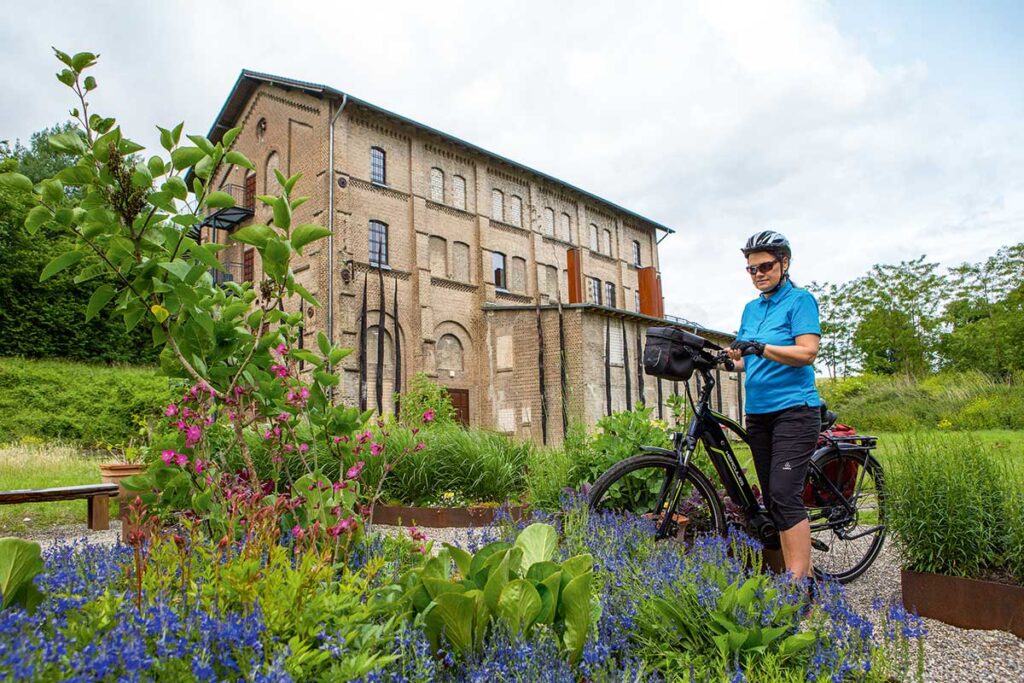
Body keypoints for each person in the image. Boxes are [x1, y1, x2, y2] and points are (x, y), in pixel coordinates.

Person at [725, 230, 821, 581]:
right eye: (751, 269)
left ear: (785, 263)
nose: (759, 274)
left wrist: (760, 347)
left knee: (784, 493)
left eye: (765, 266)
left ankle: (799, 583)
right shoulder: (751, 309)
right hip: (759, 413)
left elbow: (807, 352)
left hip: (795, 409)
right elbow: (747, 359)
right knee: (772, 496)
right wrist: (727, 359)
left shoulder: (800, 301)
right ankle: (795, 569)